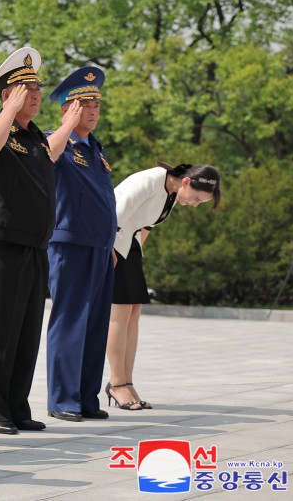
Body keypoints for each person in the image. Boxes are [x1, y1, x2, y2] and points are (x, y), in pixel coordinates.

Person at [0, 47, 66, 435]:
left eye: (37, 88)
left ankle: (16, 405)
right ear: (7, 94)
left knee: (26, 330)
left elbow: (52, 158)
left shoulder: (35, 137)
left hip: (35, 244)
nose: (35, 94)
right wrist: (9, 108)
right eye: (26, 88)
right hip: (2, 242)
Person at [107, 162, 221, 410]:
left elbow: (146, 226)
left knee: (134, 312)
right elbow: (113, 214)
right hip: (112, 244)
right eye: (196, 199)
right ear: (187, 182)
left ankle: (126, 381)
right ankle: (117, 384)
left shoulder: (170, 193)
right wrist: (108, 253)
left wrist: (137, 260)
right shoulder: (150, 180)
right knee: (120, 313)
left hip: (130, 246)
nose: (194, 204)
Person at [44, 67, 117, 422]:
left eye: (95, 106)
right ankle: (63, 399)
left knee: (96, 324)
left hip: (100, 247)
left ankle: (87, 396)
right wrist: (64, 127)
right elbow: (47, 158)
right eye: (83, 104)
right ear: (66, 109)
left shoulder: (96, 149)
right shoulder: (57, 141)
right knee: (70, 321)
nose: (92, 111)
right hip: (70, 245)